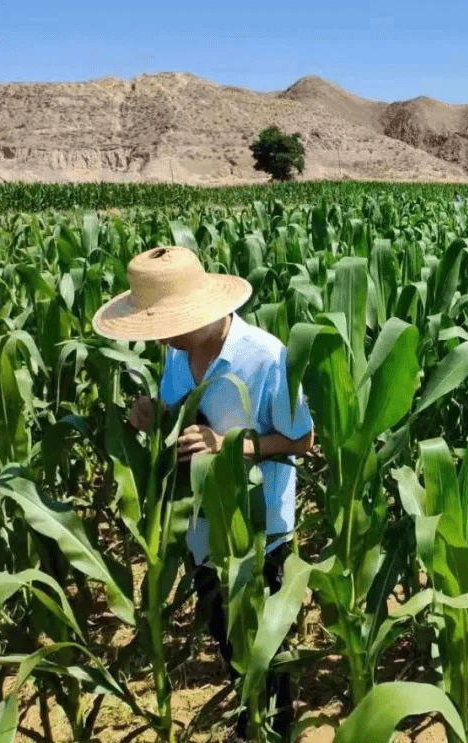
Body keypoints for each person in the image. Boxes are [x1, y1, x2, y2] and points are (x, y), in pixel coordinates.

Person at [92, 246, 315, 741]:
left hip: (260, 532)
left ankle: (274, 728)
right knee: (226, 635)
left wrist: (231, 444)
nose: (163, 337)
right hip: (202, 529)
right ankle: (247, 717)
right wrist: (153, 416)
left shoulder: (266, 356)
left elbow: (302, 439)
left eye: (168, 324)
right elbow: (182, 425)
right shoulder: (177, 355)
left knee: (266, 648)